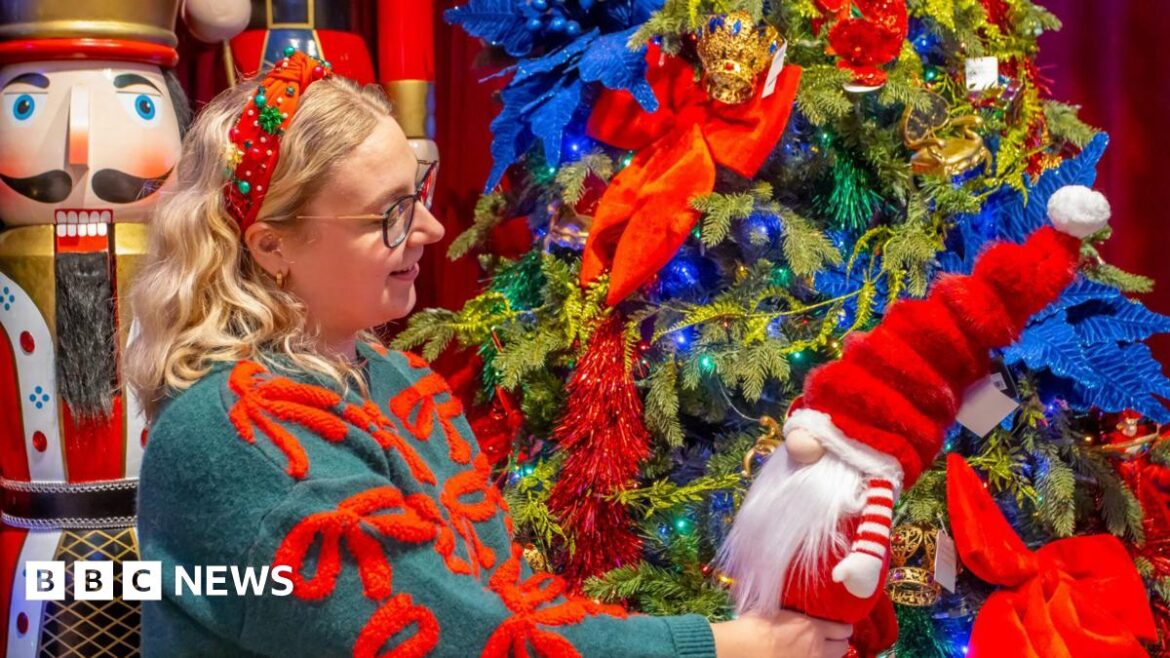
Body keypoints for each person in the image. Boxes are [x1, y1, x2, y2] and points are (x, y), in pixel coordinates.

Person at [127, 51, 852, 658]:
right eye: (389, 215)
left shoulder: (393, 377)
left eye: (419, 193)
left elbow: (512, 600)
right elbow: (461, 639)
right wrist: (724, 646)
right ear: (272, 245)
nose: (432, 229)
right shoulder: (233, 439)